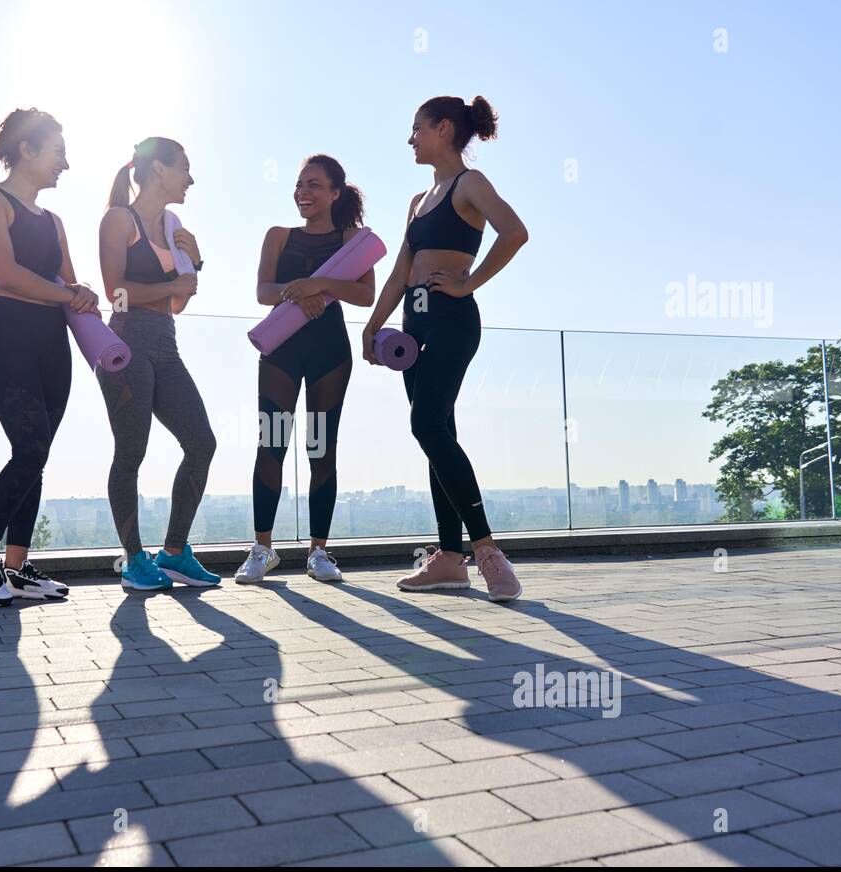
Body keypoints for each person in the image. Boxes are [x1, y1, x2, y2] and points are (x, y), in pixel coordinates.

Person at [361, 96, 529, 597]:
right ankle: (449, 559)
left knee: (426, 424)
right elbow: (398, 272)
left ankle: (486, 550)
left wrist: (468, 283)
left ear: (444, 128)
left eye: (417, 128)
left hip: (453, 321)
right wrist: (373, 326)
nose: (411, 138)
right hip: (413, 330)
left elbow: (515, 233)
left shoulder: (470, 184)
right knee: (438, 433)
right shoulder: (418, 200)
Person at [0, 108, 99, 607]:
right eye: (58, 152)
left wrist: (81, 292)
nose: (65, 163)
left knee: (37, 457)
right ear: (27, 149)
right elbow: (7, 274)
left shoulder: (55, 221)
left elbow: (65, 283)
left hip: (51, 343)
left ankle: (16, 569)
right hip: (7, 334)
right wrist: (67, 294)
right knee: (30, 447)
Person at [235, 155, 374, 584]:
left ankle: (319, 552)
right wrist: (300, 293)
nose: (303, 192)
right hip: (281, 350)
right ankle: (262, 549)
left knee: (321, 447)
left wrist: (321, 285)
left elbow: (366, 295)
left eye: (313, 185)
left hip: (329, 353)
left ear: (335, 192)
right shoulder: (278, 236)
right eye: (298, 185)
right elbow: (263, 291)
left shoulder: (355, 239)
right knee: (271, 443)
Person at [97, 137, 220, 591]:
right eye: (184, 168)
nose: (190, 178)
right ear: (158, 170)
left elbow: (180, 302)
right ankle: (133, 560)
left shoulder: (173, 225)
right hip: (126, 344)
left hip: (166, 343)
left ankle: (173, 553)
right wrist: (179, 281)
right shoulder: (118, 219)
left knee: (201, 442)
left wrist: (195, 263)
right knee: (131, 452)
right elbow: (117, 293)